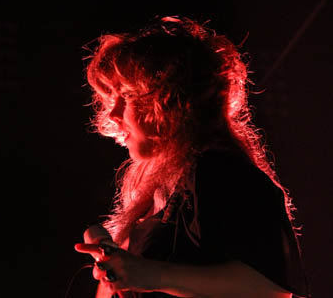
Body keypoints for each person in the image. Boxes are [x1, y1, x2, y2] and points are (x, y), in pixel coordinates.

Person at [74, 16, 309, 298]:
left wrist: (148, 273)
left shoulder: (220, 171)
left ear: (169, 101)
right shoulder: (163, 193)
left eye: (127, 97)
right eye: (114, 99)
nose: (113, 114)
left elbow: (270, 290)